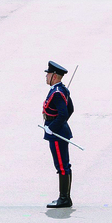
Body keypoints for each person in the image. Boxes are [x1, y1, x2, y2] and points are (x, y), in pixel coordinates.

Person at [43, 62, 74, 209]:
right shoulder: (61, 89)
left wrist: (53, 127)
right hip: (59, 130)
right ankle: (65, 197)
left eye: (48, 74)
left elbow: (64, 113)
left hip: (57, 134)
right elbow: (71, 109)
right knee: (63, 165)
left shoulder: (56, 93)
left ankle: (64, 199)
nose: (46, 76)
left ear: (54, 76)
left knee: (61, 166)